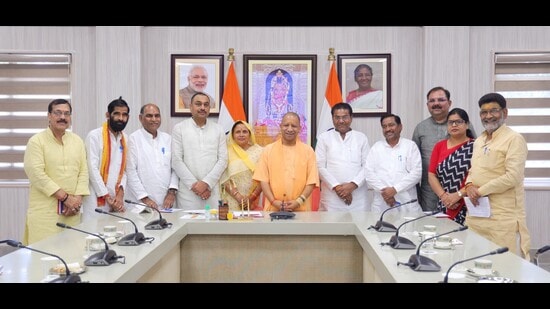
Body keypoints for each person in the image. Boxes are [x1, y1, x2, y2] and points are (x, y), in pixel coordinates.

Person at [464, 92, 531, 259]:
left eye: (493, 111)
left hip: (502, 219)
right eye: (483, 112)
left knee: (505, 267)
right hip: (477, 215)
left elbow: (513, 177)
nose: (488, 116)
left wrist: (480, 191)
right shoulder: (479, 140)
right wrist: (469, 185)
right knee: (474, 265)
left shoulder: (514, 139)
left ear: (504, 113)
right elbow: (473, 169)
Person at [23, 99, 89, 244]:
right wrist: (66, 199)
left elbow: (84, 172)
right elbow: (37, 175)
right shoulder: (36, 141)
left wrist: (76, 200)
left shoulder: (77, 141)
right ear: (49, 115)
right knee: (43, 257)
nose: (62, 117)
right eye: (58, 113)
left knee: (71, 257)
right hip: (45, 214)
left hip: (72, 213)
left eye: (67, 114)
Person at [413, 86, 476, 211]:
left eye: (441, 100)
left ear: (449, 103)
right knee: (430, 227)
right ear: (427, 105)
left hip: (460, 190)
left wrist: (459, 193)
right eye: (432, 101)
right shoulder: (420, 128)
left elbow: (476, 154)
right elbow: (414, 161)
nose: (436, 103)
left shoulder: (464, 125)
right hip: (429, 191)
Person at [172, 92, 227, 210]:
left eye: (206, 105)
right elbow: (176, 160)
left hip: (211, 191)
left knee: (211, 225)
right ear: (190, 107)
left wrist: (206, 183)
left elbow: (223, 160)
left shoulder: (218, 129)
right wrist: (195, 185)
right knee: (187, 226)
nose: (202, 107)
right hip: (188, 192)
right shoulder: (179, 128)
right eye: (198, 104)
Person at [253, 112, 319, 212]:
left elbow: (312, 181)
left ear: (300, 128)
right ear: (280, 126)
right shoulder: (268, 150)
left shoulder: (308, 151)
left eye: (294, 126)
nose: (289, 129)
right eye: (286, 125)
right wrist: (273, 201)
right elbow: (263, 180)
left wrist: (298, 202)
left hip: (301, 208)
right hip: (273, 208)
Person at [315, 103, 371, 211]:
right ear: (332, 118)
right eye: (337, 117)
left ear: (351, 118)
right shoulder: (324, 138)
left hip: (357, 198)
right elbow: (319, 166)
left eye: (345, 117)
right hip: (332, 198)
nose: (341, 121)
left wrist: (352, 186)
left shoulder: (361, 138)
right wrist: (337, 188)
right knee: (332, 226)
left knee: (359, 226)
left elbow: (367, 166)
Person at [82, 97, 130, 221]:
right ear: (108, 115)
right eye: (117, 114)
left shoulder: (125, 139)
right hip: (96, 199)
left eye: (124, 115)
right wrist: (107, 197)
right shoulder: (95, 136)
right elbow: (92, 169)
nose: (121, 118)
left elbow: (124, 170)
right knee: (94, 236)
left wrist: (120, 195)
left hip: (116, 200)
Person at [365, 114, 422, 213]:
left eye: (391, 125)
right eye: (384, 126)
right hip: (382, 202)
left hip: (406, 200)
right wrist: (385, 193)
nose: (388, 129)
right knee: (381, 227)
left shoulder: (410, 146)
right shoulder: (376, 147)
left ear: (400, 127)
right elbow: (369, 173)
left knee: (408, 227)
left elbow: (416, 174)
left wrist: (395, 190)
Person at [126, 103, 179, 210]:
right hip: (141, 203)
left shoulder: (167, 139)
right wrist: (145, 198)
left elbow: (175, 168)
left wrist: (172, 192)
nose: (154, 119)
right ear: (141, 118)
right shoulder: (133, 139)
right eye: (149, 116)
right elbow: (131, 171)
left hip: (167, 202)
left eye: (157, 116)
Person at [428, 108, 475, 225]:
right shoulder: (439, 146)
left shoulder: (476, 146)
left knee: (467, 240)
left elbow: (479, 175)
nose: (454, 125)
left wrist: (458, 195)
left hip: (469, 203)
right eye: (450, 122)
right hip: (444, 204)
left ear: (467, 125)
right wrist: (445, 198)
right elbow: (431, 175)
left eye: (458, 122)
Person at [220, 120, 263, 211]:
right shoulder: (226, 151)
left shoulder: (260, 151)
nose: (241, 134)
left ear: (250, 134)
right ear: (232, 135)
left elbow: (264, 177)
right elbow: (223, 177)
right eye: (238, 132)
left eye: (245, 131)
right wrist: (239, 197)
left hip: (254, 199)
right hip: (231, 198)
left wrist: (251, 198)